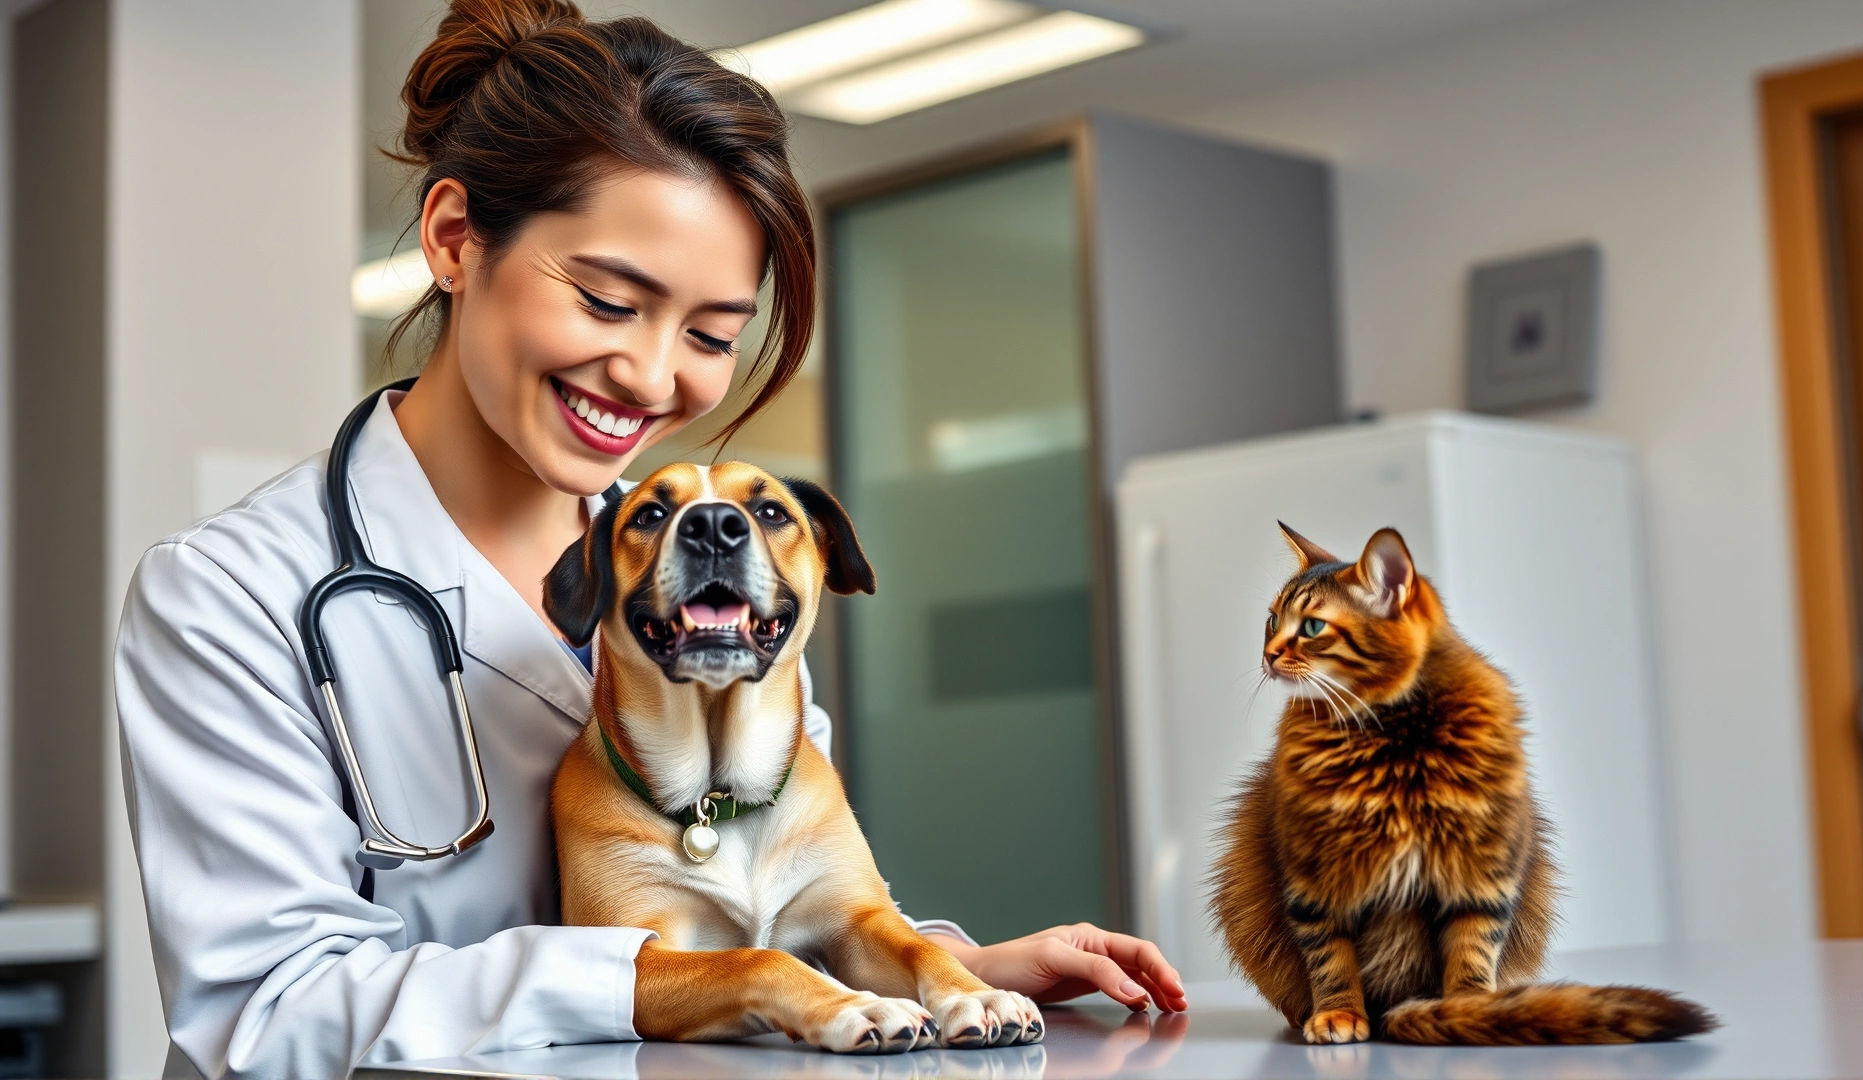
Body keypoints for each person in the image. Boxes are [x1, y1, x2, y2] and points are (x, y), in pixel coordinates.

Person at [113, 2, 1185, 1076]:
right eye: (608, 300)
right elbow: (266, 1012)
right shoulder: (229, 597)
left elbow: (784, 911)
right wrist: (660, 982)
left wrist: (955, 974)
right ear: (452, 239)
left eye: (712, 334)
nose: (654, 376)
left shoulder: (727, 588)